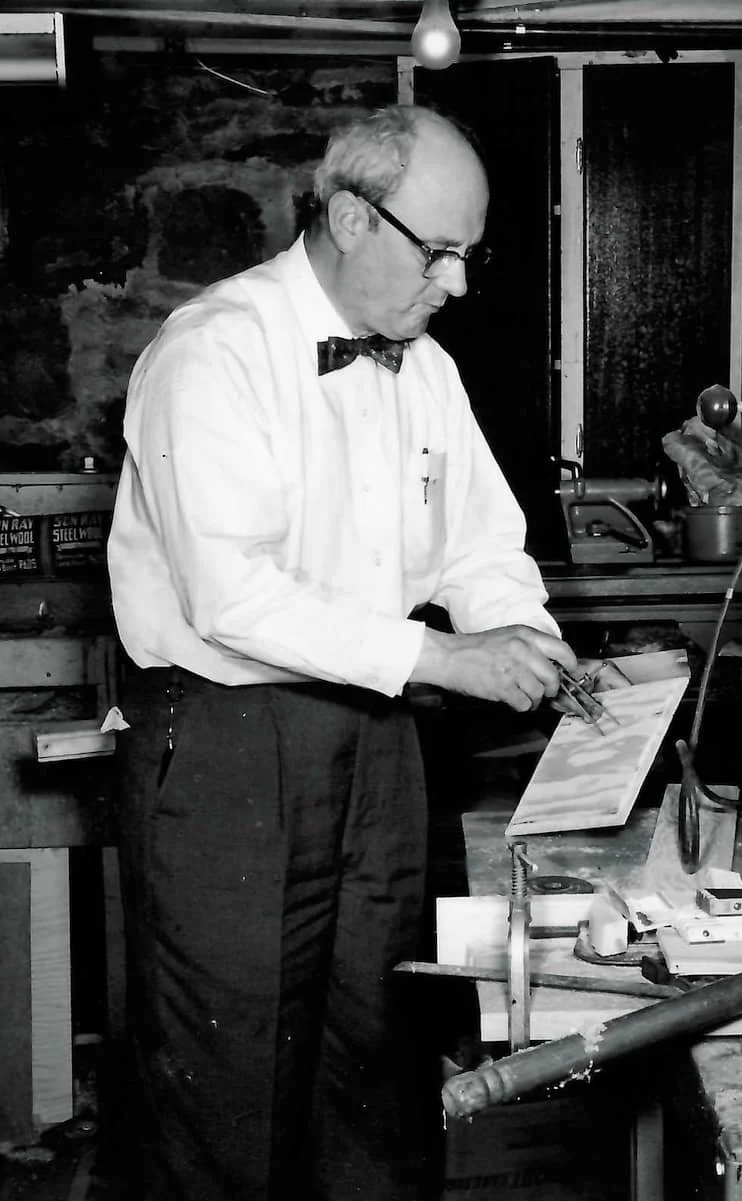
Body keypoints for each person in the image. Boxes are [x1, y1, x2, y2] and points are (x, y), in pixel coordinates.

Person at [106, 103, 578, 1201]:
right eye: (441, 252)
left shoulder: (426, 371)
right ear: (355, 216)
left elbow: (480, 545)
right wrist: (450, 659)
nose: (458, 284)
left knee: (378, 1065)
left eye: (473, 254)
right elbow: (234, 595)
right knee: (232, 1086)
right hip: (229, 753)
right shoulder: (215, 352)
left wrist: (529, 636)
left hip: (379, 743)